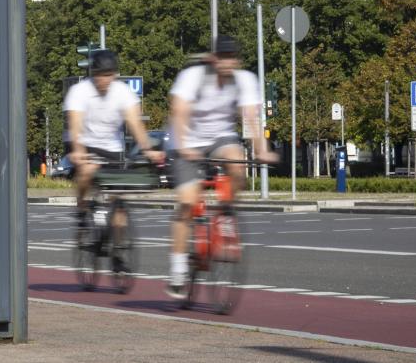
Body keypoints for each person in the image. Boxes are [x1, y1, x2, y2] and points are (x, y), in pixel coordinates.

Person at [165, 35, 276, 298]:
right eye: (222, 58)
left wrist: (261, 150)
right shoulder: (193, 77)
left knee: (237, 166)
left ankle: (225, 214)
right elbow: (179, 112)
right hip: (186, 140)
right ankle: (178, 269)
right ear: (213, 59)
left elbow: (251, 117)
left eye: (232, 58)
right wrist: (183, 147)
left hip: (220, 139)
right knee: (187, 202)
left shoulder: (244, 80)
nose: (227, 63)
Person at [64, 49, 164, 216]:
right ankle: (81, 208)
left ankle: (120, 240)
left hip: (112, 148)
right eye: (101, 75)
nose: (105, 80)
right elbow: (75, 126)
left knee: (118, 205)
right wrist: (78, 151)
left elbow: (135, 124)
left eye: (109, 75)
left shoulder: (123, 92)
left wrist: (148, 150)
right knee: (87, 171)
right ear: (93, 74)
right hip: (85, 143)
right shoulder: (79, 91)